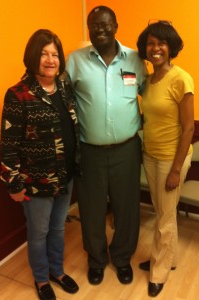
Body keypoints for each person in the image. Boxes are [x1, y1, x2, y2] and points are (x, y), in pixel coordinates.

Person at [66, 6, 148, 285]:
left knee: (127, 208)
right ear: (89, 29)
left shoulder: (136, 60)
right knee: (91, 209)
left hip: (127, 149)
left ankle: (122, 258)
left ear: (116, 25)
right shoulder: (74, 60)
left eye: (104, 25)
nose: (99, 30)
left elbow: (150, 95)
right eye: (93, 26)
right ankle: (97, 259)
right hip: (89, 151)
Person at [0, 29, 80, 300]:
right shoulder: (18, 95)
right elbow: (8, 145)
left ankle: (57, 271)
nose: (50, 59)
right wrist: (13, 184)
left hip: (65, 175)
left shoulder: (64, 87)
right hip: (36, 182)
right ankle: (41, 279)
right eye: (44, 54)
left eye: (55, 54)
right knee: (38, 233)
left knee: (58, 228)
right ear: (33, 56)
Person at [137, 21, 194, 297]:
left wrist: (175, 169)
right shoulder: (147, 81)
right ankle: (165, 256)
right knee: (163, 212)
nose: (155, 48)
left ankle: (159, 271)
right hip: (150, 155)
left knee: (166, 217)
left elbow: (189, 128)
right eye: (150, 43)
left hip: (172, 158)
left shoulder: (181, 78)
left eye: (161, 43)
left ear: (170, 47)